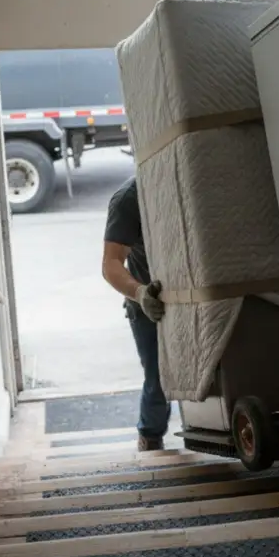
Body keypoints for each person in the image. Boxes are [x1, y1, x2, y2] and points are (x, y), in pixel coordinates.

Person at [102, 176, 170, 451]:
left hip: (193, 294)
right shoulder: (129, 199)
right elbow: (111, 263)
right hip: (147, 301)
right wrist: (140, 294)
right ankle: (151, 439)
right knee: (159, 378)